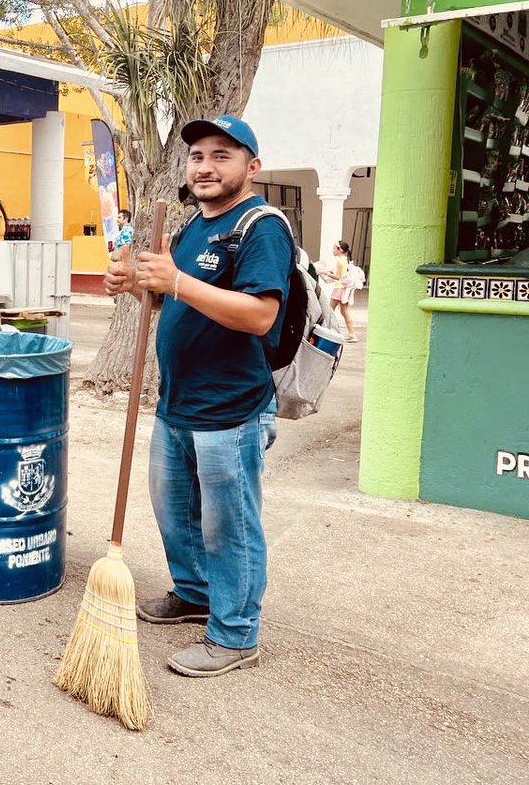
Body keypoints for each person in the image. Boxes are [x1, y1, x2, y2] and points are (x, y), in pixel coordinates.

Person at [104, 114, 294, 678]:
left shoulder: (260, 227)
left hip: (230, 409)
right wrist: (138, 286)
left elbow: (261, 316)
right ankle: (194, 594)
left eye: (221, 156)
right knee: (176, 510)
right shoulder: (191, 228)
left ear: (251, 167)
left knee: (228, 523)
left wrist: (177, 282)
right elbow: (174, 304)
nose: (205, 167)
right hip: (179, 403)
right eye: (197, 157)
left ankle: (236, 635)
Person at [320, 240, 358, 342]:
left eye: (334, 248)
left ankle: (325, 332)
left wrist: (324, 272)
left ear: (339, 250)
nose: (333, 250)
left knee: (328, 311)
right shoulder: (344, 260)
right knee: (344, 312)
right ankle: (352, 334)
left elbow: (338, 277)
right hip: (343, 289)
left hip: (339, 289)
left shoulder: (339, 261)